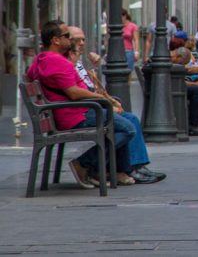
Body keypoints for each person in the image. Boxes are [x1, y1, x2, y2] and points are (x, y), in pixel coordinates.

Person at [26, 21, 138, 188]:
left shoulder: (41, 59)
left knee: (122, 120)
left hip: (68, 112)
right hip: (75, 115)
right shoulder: (57, 61)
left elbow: (29, 76)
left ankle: (110, 170)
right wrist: (103, 99)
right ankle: (84, 164)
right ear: (55, 40)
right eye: (66, 36)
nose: (70, 39)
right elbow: (73, 92)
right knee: (128, 128)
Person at [67, 26, 165, 184]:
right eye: (77, 40)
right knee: (126, 125)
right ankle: (92, 164)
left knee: (130, 119)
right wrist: (106, 103)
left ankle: (131, 167)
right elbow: (77, 91)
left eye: (83, 39)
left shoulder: (77, 61)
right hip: (82, 111)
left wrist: (95, 69)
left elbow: (89, 85)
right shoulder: (67, 62)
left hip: (89, 107)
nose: (82, 43)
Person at [122, 9, 139, 74]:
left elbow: (136, 39)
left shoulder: (132, 26)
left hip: (128, 51)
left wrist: (136, 52)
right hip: (119, 51)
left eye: (121, 17)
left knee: (128, 71)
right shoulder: (118, 26)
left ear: (125, 16)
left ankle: (127, 84)